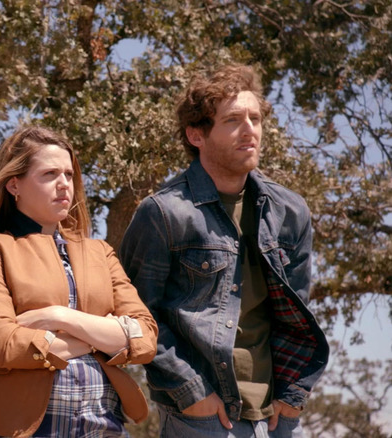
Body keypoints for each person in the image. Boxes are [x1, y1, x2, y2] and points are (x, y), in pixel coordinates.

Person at [119, 63, 329, 437]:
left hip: (279, 416)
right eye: (233, 120)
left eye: (254, 118)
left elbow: (296, 315)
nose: (250, 129)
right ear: (196, 135)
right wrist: (193, 393)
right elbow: (137, 316)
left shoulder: (290, 211)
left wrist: (293, 396)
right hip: (202, 417)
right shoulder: (164, 213)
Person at [0, 126, 158, 437]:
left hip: (102, 423)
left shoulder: (100, 251)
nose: (64, 184)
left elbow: (144, 337)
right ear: (14, 185)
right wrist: (102, 337)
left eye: (68, 174)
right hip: (22, 427)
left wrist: (61, 317)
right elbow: (1, 343)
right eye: (50, 174)